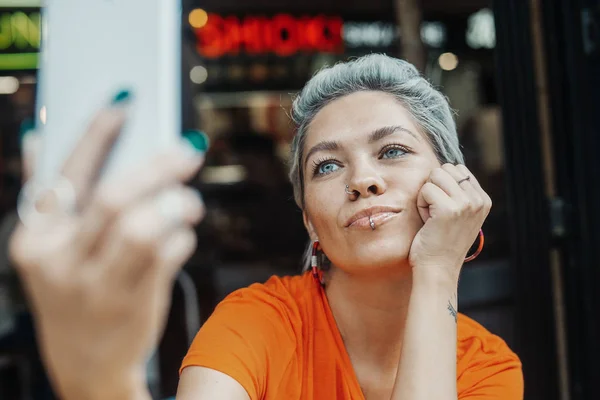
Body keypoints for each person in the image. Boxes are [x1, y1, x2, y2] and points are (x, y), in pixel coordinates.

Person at [9, 54, 522, 400]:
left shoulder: (486, 366)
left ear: (451, 185)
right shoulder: (259, 322)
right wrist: (98, 379)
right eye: (327, 165)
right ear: (308, 221)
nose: (363, 179)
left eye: (392, 151)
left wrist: (437, 268)